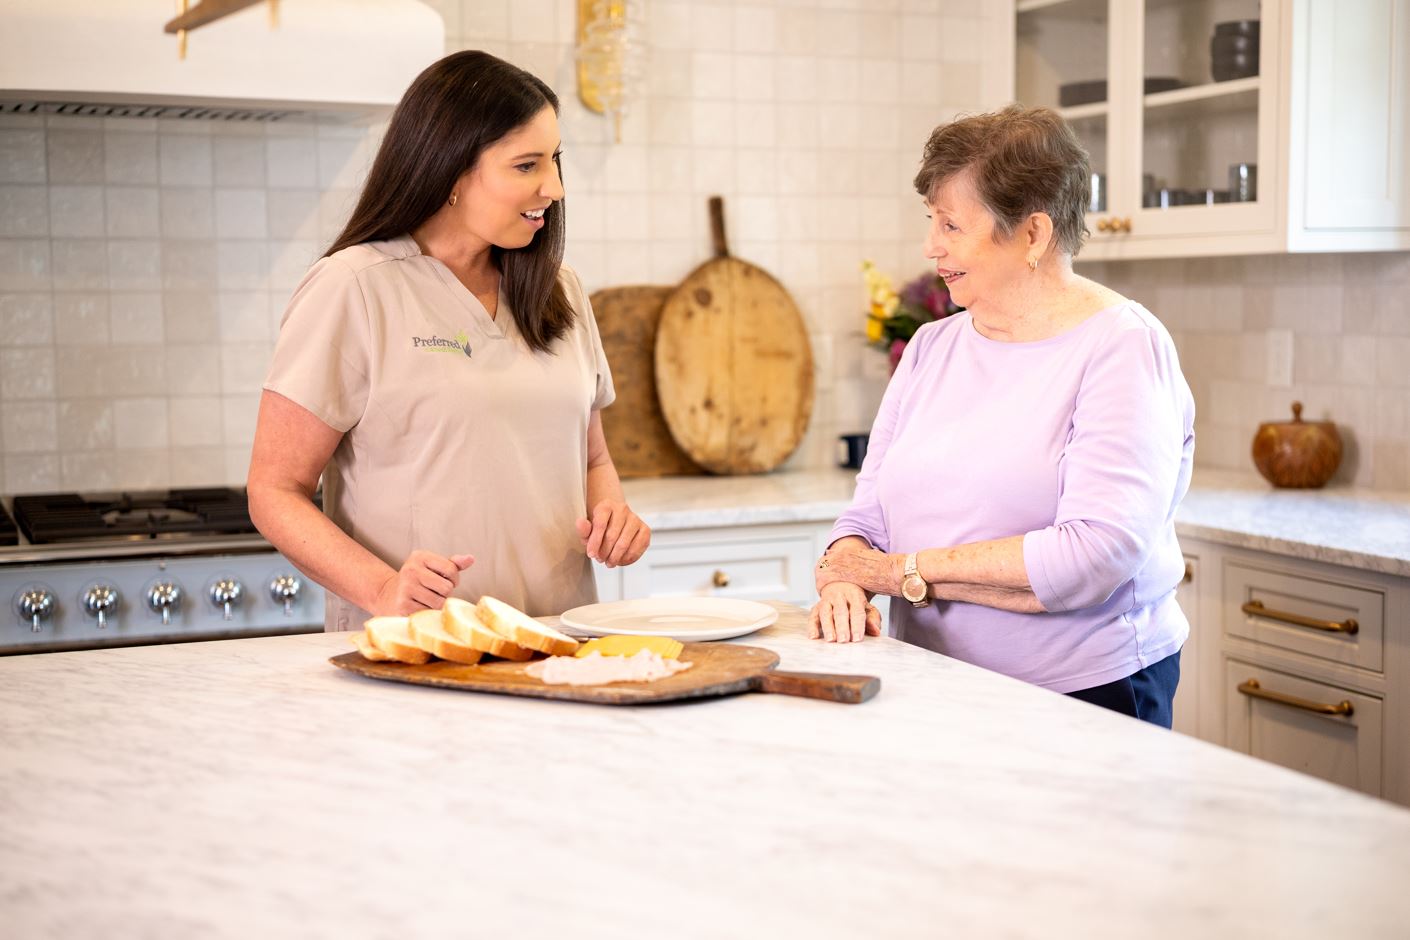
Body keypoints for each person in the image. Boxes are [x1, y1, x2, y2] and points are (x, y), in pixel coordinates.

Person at [812, 105, 1195, 728]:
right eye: (931, 221)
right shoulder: (931, 349)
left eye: (951, 225)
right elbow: (866, 516)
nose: (929, 245)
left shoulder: (1122, 346)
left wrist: (894, 573)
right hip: (930, 680)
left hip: (1086, 695)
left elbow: (1094, 556)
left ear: (1033, 234)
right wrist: (845, 583)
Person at [247, 51, 649, 630]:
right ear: (451, 170)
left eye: (555, 160)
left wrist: (613, 515)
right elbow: (274, 490)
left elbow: (592, 459)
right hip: (416, 651)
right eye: (527, 165)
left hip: (562, 646)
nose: (555, 188)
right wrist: (384, 588)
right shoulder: (353, 288)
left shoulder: (560, 290)